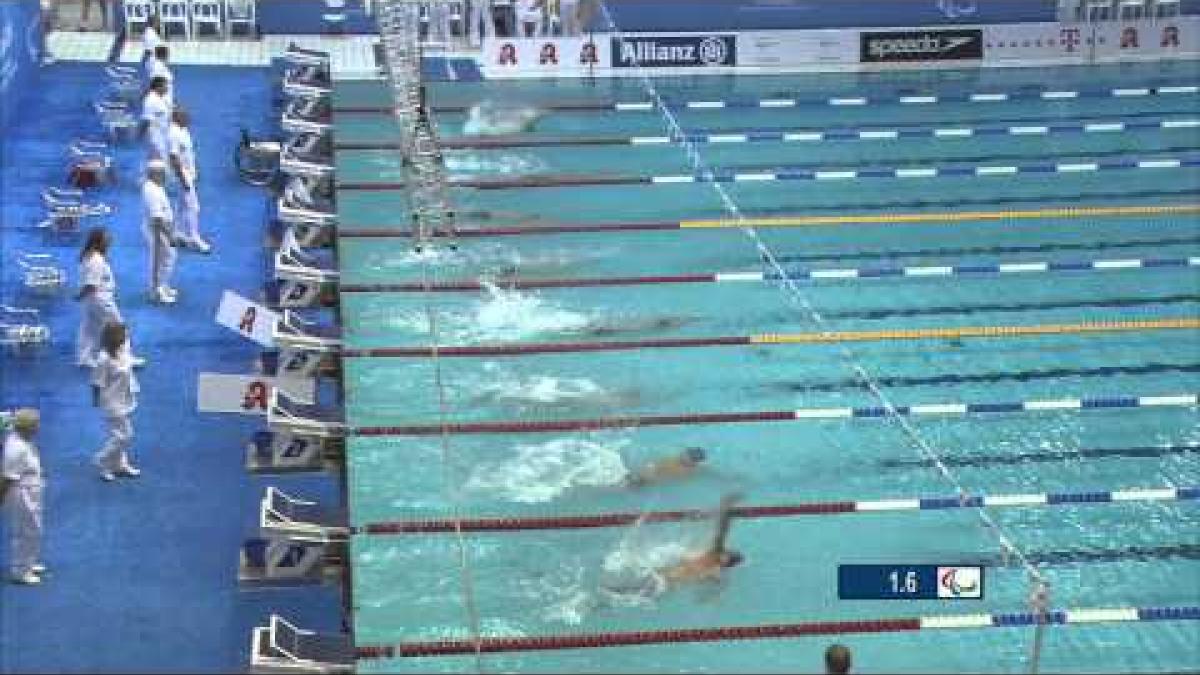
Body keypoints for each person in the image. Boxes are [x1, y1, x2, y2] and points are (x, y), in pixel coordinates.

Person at [77, 228, 145, 368]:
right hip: (101, 300)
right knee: (118, 327)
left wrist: (82, 297)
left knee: (90, 328)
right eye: (106, 240)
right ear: (98, 242)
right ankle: (125, 357)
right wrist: (79, 296)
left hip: (93, 300)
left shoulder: (89, 257)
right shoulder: (96, 261)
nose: (109, 243)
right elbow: (91, 284)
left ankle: (85, 357)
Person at [657, 492, 744, 586]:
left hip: (663, 577)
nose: (726, 550)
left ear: (726, 557)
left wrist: (727, 504)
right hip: (666, 582)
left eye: (728, 551)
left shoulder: (716, 554)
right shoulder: (714, 570)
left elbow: (723, 527)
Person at [91, 322, 142, 482]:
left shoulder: (122, 351)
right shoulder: (103, 359)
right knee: (125, 435)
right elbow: (96, 383)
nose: (127, 337)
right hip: (111, 401)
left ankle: (119, 465)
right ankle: (102, 459)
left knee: (119, 434)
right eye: (124, 334)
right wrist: (96, 400)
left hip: (124, 396)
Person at [1, 409, 46, 585]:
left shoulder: (16, 433)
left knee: (34, 529)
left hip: (32, 489)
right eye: (35, 425)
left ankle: (29, 561)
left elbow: (4, 418)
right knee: (26, 530)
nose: (38, 428)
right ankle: (20, 571)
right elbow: (6, 478)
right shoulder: (16, 450)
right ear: (26, 428)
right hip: (22, 493)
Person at [168, 108, 210, 253]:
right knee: (193, 207)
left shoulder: (183, 129)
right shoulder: (173, 133)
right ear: (176, 117)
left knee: (180, 205)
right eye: (185, 115)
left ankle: (176, 233)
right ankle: (194, 238)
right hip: (181, 175)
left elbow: (188, 153)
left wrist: (193, 172)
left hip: (188, 173)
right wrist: (183, 179)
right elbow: (173, 159)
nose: (188, 117)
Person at [142, 160, 178, 304]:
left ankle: (163, 285)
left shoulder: (154, 185)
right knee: (160, 260)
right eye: (163, 173)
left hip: (159, 228)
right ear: (154, 174)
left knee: (167, 257)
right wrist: (170, 235)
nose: (166, 176)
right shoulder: (153, 193)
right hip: (157, 230)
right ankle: (157, 291)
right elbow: (157, 219)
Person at [625, 447, 706, 488]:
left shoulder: (687, 470)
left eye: (687, 455)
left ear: (692, 462)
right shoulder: (675, 459)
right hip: (647, 476)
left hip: (647, 479)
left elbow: (663, 478)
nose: (683, 454)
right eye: (686, 452)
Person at [138, 76, 172, 160]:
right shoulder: (150, 101)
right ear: (158, 87)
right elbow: (146, 120)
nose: (167, 88)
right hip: (155, 137)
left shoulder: (161, 98)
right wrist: (140, 135)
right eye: (165, 86)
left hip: (163, 134)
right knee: (158, 160)